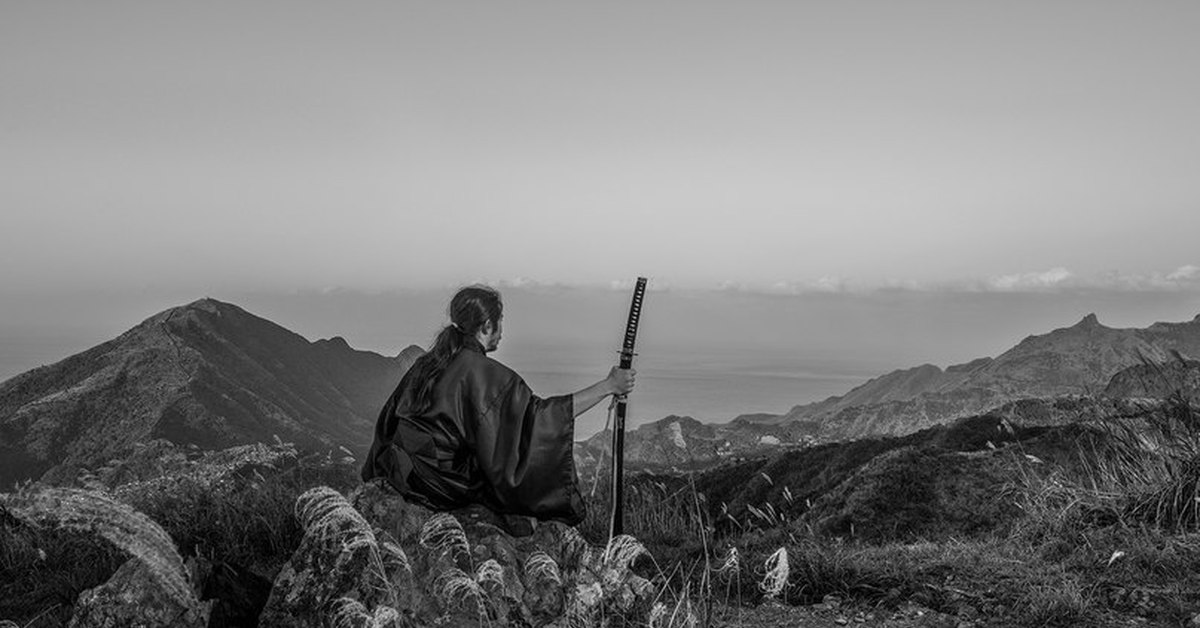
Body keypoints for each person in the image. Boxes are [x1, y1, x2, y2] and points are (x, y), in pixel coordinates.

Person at [360, 285, 635, 527]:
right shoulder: (484, 374)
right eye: (500, 322)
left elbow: (389, 419)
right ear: (487, 325)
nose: (502, 331)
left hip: (401, 472)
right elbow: (539, 420)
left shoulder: (428, 362)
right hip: (438, 485)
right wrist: (608, 386)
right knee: (500, 482)